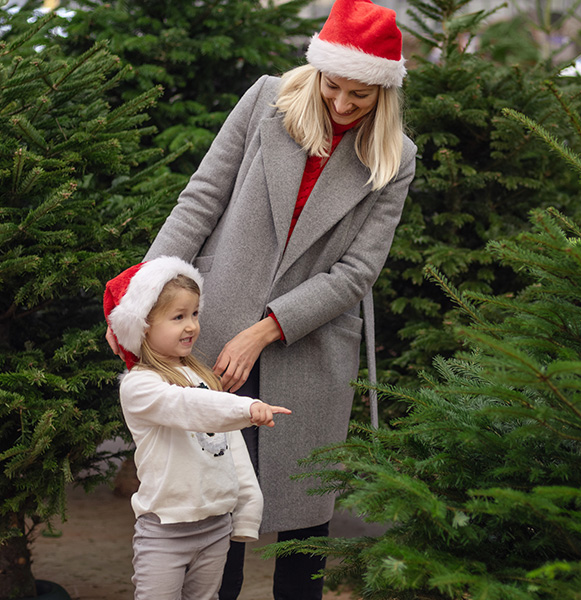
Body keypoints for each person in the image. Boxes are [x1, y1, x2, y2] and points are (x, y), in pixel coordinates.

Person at [106, 0, 416, 597]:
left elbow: (357, 272)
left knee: (304, 528)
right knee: (212, 504)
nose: (344, 105)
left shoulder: (395, 158)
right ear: (319, 71)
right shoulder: (266, 101)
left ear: (385, 93)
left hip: (309, 344)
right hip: (211, 328)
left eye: (362, 95)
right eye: (335, 86)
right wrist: (143, 298)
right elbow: (199, 200)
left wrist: (268, 327)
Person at [103, 255, 291, 600]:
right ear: (142, 327)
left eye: (194, 314)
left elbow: (230, 446)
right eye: (178, 317)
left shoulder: (202, 378)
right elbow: (190, 407)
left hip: (216, 527)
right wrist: (247, 407)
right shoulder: (138, 386)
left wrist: (248, 508)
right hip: (165, 531)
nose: (191, 326)